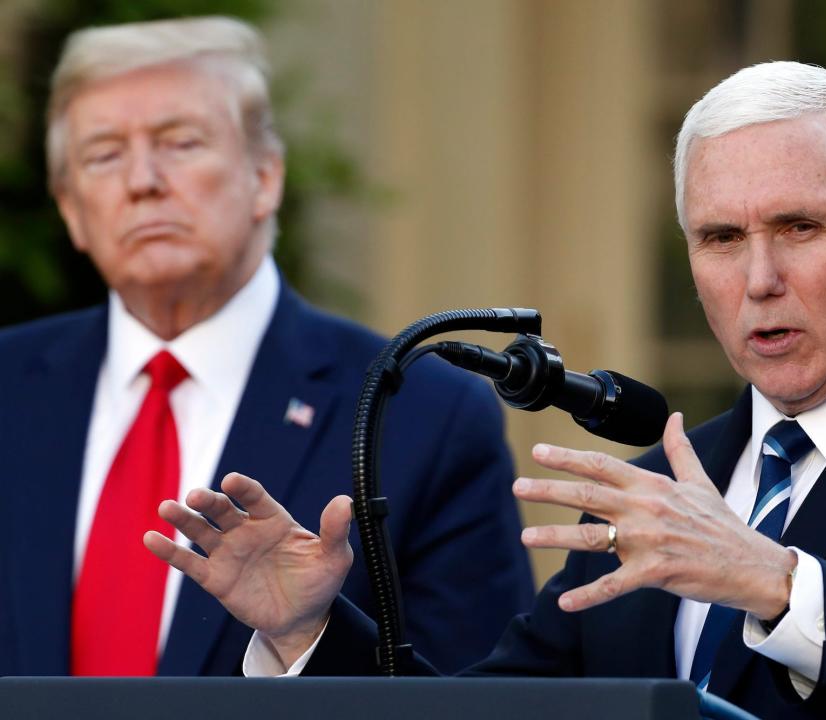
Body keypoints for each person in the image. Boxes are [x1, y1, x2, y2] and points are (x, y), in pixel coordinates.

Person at [148, 60, 826, 716]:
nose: (759, 279)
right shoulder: (650, 495)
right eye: (720, 238)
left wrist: (780, 585)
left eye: (798, 228)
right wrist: (308, 634)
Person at [0, 16, 534, 677]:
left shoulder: (422, 415)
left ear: (266, 176)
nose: (142, 180)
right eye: (105, 155)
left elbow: (478, 699)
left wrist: (307, 636)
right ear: (72, 210)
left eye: (181, 142)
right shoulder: (9, 386)